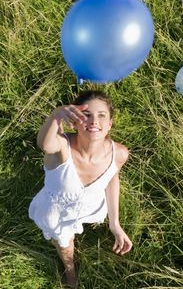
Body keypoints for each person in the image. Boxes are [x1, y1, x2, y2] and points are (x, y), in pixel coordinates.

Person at [28, 90, 132, 288]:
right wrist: (57, 115)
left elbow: (112, 179)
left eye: (102, 116)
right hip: (57, 212)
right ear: (74, 122)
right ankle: (70, 271)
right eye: (86, 115)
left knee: (79, 229)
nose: (94, 121)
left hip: (90, 207)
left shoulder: (119, 153)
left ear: (110, 124)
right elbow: (44, 143)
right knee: (65, 247)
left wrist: (115, 224)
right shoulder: (61, 147)